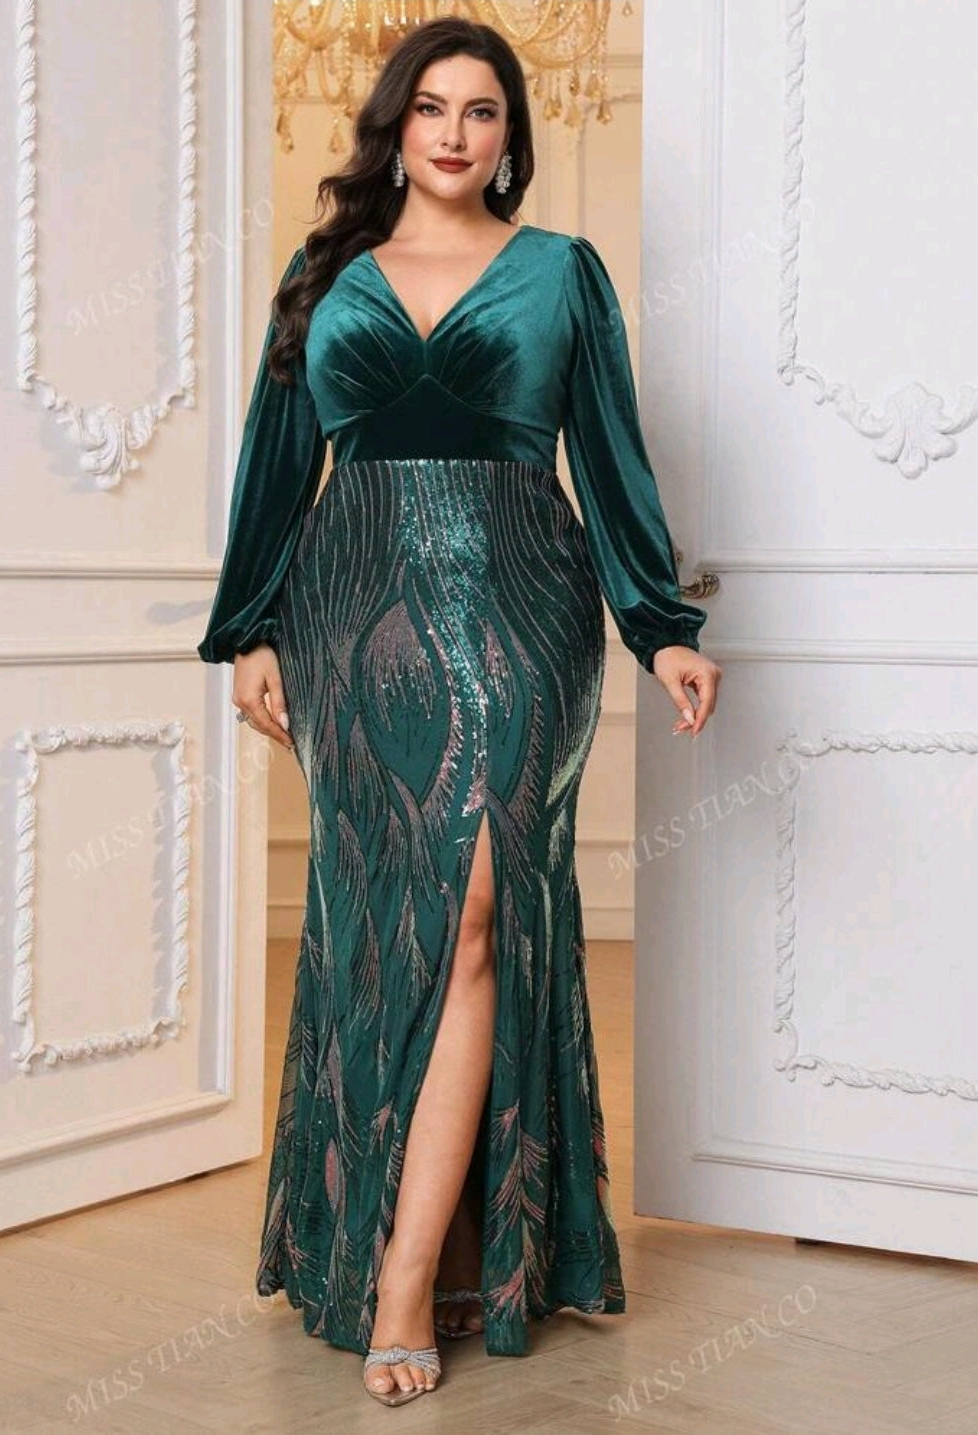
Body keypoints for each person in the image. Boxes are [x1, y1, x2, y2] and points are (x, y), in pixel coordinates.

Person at [197, 15, 720, 1409]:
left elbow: (611, 456)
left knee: (482, 904)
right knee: (387, 920)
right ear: (395, 125)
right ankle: (392, 1232)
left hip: (522, 599)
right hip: (350, 610)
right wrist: (248, 628)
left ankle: (403, 1282)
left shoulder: (562, 274)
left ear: (510, 137)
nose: (454, 132)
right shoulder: (324, 275)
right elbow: (274, 461)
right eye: (430, 107)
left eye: (482, 111)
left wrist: (660, 626)